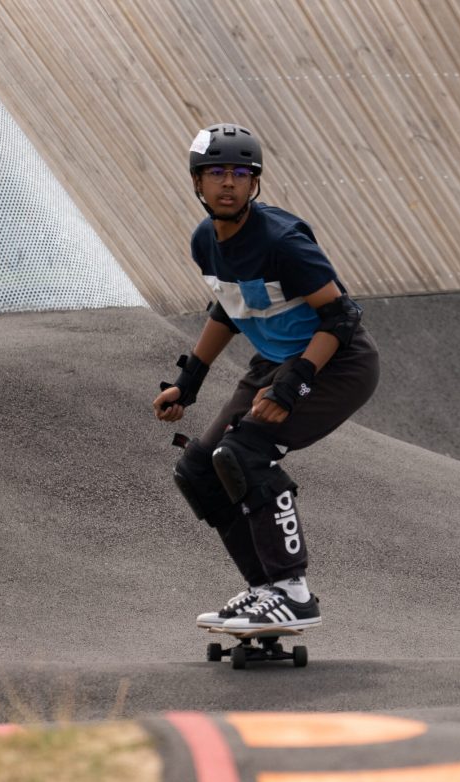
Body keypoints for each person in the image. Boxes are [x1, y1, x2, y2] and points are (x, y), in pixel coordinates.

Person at [153, 122, 380, 632]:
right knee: (199, 470)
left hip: (336, 364)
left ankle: (293, 591)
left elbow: (342, 317)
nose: (227, 183)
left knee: (246, 451)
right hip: (273, 365)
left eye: (239, 173)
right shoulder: (204, 242)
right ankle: (265, 590)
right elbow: (230, 307)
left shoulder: (282, 240)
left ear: (255, 184)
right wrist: (188, 383)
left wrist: (291, 386)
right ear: (197, 183)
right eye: (216, 173)